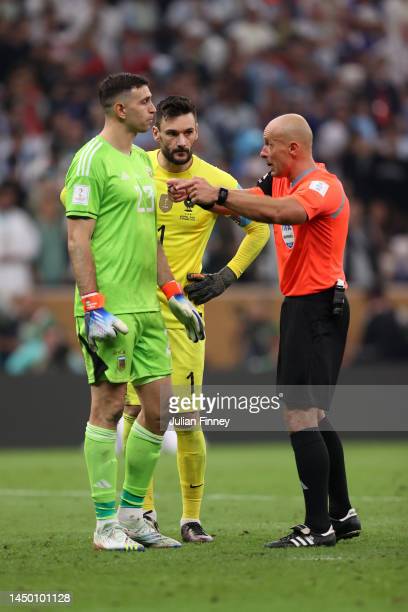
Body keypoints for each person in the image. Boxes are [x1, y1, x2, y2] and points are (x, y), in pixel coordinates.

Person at [169, 113, 362, 548]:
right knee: (314, 414)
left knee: (300, 415)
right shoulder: (281, 183)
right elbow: (246, 201)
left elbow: (281, 212)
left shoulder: (319, 186)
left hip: (318, 306)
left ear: (293, 148)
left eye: (268, 144)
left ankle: (318, 527)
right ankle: (342, 514)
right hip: (304, 306)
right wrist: (196, 194)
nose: (262, 152)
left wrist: (218, 191)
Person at [63, 73, 204, 551]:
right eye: (145, 102)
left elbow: (153, 239)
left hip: (147, 309)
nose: (153, 109)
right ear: (120, 110)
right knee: (106, 410)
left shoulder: (144, 165)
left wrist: (174, 294)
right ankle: (104, 526)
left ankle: (132, 515)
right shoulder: (90, 161)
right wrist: (93, 305)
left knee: (158, 412)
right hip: (110, 310)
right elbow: (77, 237)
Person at [123, 96, 270, 542]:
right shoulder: (132, 168)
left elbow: (259, 228)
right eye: (172, 133)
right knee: (135, 412)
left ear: (197, 132)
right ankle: (143, 514)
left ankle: (191, 518)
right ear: (156, 134)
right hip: (134, 308)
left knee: (185, 416)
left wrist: (226, 277)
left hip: (183, 313)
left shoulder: (214, 181)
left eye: (189, 132)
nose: (182, 141)